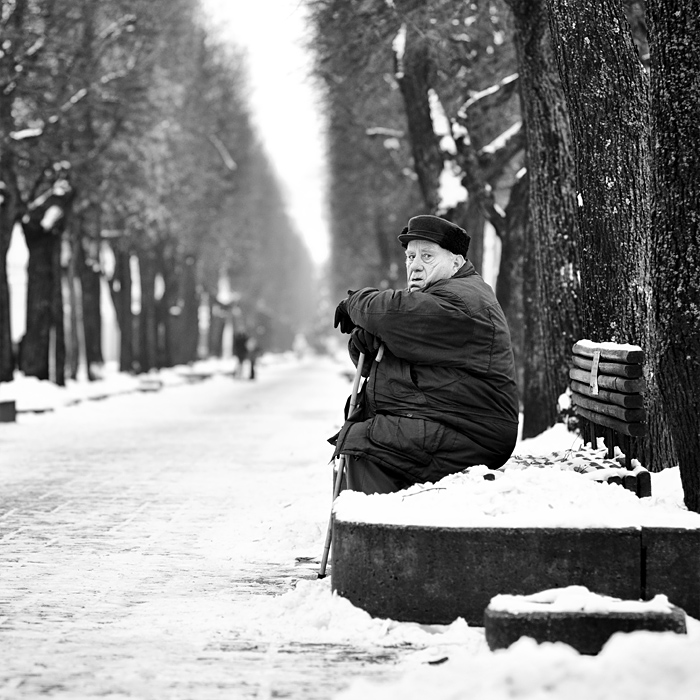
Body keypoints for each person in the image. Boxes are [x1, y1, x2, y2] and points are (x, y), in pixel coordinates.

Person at [330, 214, 519, 495]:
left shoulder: (462, 299)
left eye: (427, 256)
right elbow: (382, 354)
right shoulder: (435, 297)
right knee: (362, 433)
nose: (415, 266)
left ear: (456, 262)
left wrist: (354, 302)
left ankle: (370, 519)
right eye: (410, 257)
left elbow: (393, 312)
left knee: (364, 443)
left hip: (472, 431)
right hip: (446, 420)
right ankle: (365, 513)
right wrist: (365, 343)